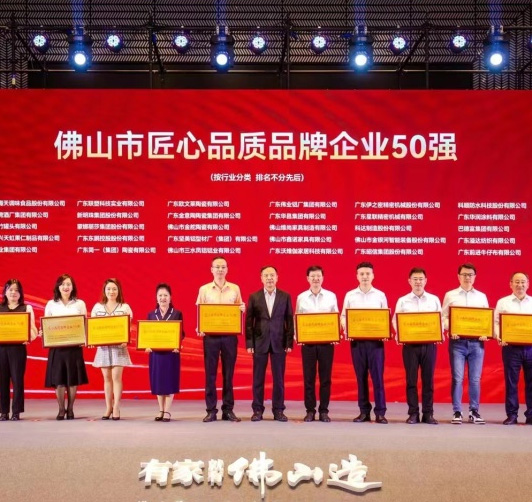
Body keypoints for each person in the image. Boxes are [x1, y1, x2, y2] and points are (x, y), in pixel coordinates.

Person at [196, 256, 245, 423]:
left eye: (223, 267)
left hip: (230, 337)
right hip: (210, 337)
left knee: (228, 374)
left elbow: (239, 308)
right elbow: (200, 311)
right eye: (217, 267)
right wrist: (200, 327)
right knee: (210, 374)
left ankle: (228, 410)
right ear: (211, 269)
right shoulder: (204, 289)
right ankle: (211, 410)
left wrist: (242, 308)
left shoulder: (235, 288)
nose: (220, 270)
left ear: (227, 269)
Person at [340, 262, 388, 424]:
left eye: (368, 274)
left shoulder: (380, 295)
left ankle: (380, 412)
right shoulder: (350, 295)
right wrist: (348, 329)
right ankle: (364, 412)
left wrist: (384, 332)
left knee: (378, 378)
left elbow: (385, 317)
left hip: (376, 344)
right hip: (357, 343)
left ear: (373, 276)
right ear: (357, 276)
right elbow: (343, 317)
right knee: (361, 378)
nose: (365, 277)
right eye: (362, 274)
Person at [442, 263, 489, 425]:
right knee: (457, 378)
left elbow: (486, 319)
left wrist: (485, 332)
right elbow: (443, 317)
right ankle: (457, 411)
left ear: (475, 277)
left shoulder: (481, 296)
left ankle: (474, 411)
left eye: (470, 274)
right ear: (458, 276)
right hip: (458, 342)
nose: (467, 277)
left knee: (475, 379)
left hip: (477, 344)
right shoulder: (450, 295)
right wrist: (451, 328)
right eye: (464, 274)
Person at [393, 267, 441, 425]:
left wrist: (438, 334)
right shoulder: (403, 300)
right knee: (411, 381)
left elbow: (439, 320)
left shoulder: (434, 300)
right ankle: (413, 413)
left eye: (421, 279)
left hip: (429, 345)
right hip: (410, 346)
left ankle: (428, 414)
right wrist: (401, 335)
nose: (418, 282)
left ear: (426, 281)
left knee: (428, 381)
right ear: (409, 281)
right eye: (415, 279)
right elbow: (395, 321)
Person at [245, 265, 294, 422]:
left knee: (279, 379)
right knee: (258, 379)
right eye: (266, 275)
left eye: (272, 275)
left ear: (277, 277)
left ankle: (278, 410)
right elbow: (249, 322)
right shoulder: (254, 296)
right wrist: (249, 343)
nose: (269, 278)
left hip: (279, 342)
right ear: (261, 278)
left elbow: (289, 320)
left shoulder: (285, 296)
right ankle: (257, 410)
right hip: (260, 342)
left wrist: (289, 342)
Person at [295, 265, 338, 422]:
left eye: (318, 276)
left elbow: (335, 317)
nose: (315, 279)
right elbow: (297, 318)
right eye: (312, 276)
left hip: (326, 343)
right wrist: (298, 336)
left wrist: (335, 334)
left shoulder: (331, 296)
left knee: (325, 378)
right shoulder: (301, 297)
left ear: (322, 278)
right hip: (308, 344)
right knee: (309, 378)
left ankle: (324, 410)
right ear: (308, 278)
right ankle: (310, 410)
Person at [44, 273, 89, 420]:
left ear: (72, 287)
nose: (65, 287)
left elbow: (84, 324)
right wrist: (44, 333)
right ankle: (61, 409)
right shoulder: (51, 304)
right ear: (58, 287)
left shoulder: (80, 304)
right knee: (59, 380)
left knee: (72, 379)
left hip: (74, 347)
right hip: (57, 348)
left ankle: (70, 409)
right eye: (63, 284)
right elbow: (46, 325)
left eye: (68, 284)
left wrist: (84, 338)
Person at [494, 271, 532, 425]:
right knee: (511, 382)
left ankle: (531, 415)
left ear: (528, 284)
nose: (520, 285)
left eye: (523, 282)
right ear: (510, 284)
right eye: (516, 282)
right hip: (511, 348)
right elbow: (495, 323)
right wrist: (500, 336)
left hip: (530, 348)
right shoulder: (503, 302)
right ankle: (512, 415)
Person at [91, 278, 132, 421]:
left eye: (114, 289)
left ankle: (116, 407)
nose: (111, 291)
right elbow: (93, 328)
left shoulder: (124, 307)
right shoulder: (97, 307)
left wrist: (125, 340)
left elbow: (128, 328)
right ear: (104, 290)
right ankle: (108, 407)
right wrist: (92, 340)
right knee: (107, 378)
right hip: (103, 349)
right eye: (108, 289)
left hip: (118, 348)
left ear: (118, 290)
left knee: (116, 377)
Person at [146, 283, 184, 422]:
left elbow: (181, 333)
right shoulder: (151, 314)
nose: (163, 298)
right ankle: (160, 410)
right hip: (156, 354)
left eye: (165, 295)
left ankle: (167, 410)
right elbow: (147, 334)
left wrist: (177, 344)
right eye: (160, 295)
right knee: (158, 381)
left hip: (171, 353)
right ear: (156, 298)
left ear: (170, 297)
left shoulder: (176, 313)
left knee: (169, 381)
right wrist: (146, 345)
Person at [0, 279, 37, 421]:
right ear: (5, 292)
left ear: (21, 293)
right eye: (10, 289)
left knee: (17, 380)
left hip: (18, 349)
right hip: (1, 349)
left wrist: (28, 337)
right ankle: (3, 412)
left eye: (16, 290)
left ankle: (16, 411)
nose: (13, 293)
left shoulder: (26, 308)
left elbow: (33, 330)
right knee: (2, 380)